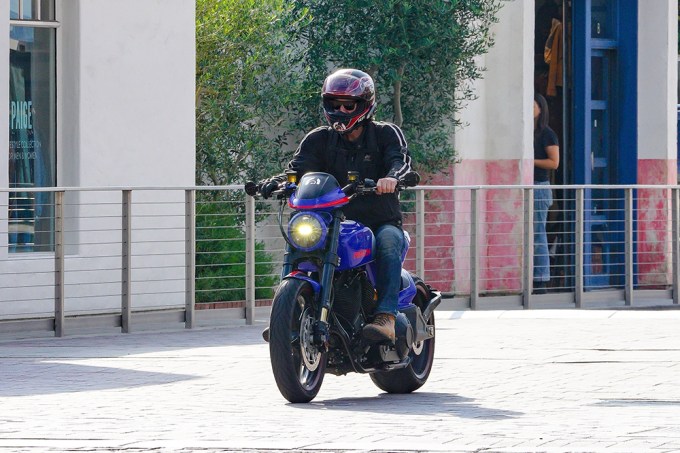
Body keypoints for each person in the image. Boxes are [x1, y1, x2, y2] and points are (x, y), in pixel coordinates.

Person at [259, 68, 413, 342]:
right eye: (334, 103)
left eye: (348, 105)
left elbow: (400, 161)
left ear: (365, 105)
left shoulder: (386, 134)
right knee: (298, 242)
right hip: (330, 223)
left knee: (389, 242)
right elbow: (297, 170)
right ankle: (286, 314)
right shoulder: (318, 139)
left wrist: (391, 178)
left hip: (379, 221)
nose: (340, 109)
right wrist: (276, 182)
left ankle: (386, 316)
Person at [533, 93, 559, 294]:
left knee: (538, 233)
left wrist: (528, 162)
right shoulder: (527, 132)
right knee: (531, 233)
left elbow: (554, 162)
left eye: (532, 105)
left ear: (540, 109)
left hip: (540, 187)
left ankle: (541, 278)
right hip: (530, 186)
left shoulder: (547, 133)